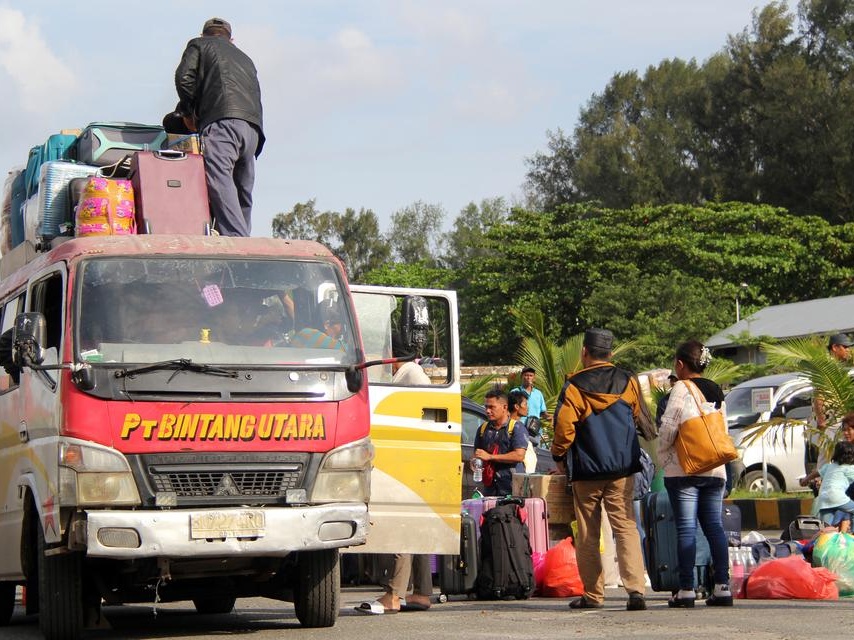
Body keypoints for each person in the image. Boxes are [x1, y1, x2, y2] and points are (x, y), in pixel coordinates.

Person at [551, 328, 654, 611]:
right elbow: (636, 416)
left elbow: (564, 427)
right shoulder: (627, 381)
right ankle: (636, 591)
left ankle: (593, 595)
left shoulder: (574, 386)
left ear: (585, 352)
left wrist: (558, 455)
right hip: (622, 468)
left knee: (588, 532)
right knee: (626, 526)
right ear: (610, 353)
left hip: (587, 469)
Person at [355, 336, 433, 615]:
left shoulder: (409, 374)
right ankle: (421, 592)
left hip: (408, 458)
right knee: (415, 526)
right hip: (418, 458)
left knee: (402, 525)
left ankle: (394, 594)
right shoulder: (413, 373)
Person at [657, 340, 732, 608]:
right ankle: (722, 587)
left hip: (684, 469)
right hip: (714, 467)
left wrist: (662, 454)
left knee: (686, 528)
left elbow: (669, 426)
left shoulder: (681, 387)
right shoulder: (716, 389)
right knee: (714, 527)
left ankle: (686, 589)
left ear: (680, 364)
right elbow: (721, 428)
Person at [175, 17, 265, 237]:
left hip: (223, 122)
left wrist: (190, 112)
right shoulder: (246, 58)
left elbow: (184, 79)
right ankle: (245, 240)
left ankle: (237, 240)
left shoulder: (199, 44)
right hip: (253, 129)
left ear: (204, 35)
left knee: (219, 178)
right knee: (242, 188)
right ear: (231, 40)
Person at [806, 333, 852, 484]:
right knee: (828, 455)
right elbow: (819, 395)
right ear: (835, 347)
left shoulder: (837, 367)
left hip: (837, 419)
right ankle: (820, 486)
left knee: (838, 454)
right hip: (829, 420)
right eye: (845, 347)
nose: (848, 350)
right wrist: (821, 419)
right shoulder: (827, 367)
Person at [471, 388, 527, 497]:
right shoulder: (482, 429)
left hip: (511, 489)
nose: (488, 411)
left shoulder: (516, 427)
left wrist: (490, 457)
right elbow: (477, 454)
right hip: (490, 490)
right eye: (486, 407)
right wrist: (475, 462)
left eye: (492, 407)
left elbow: (519, 456)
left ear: (504, 407)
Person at [814, 441, 854, 531]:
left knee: (826, 527)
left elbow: (816, 473)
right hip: (837, 497)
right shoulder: (849, 468)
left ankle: (822, 538)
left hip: (823, 499)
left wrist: (805, 480)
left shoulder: (829, 466)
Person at [512, 367, 550, 446]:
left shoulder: (538, 394)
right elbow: (510, 410)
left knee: (533, 452)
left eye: (531, 375)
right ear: (521, 377)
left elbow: (542, 412)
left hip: (534, 430)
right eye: (526, 375)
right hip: (519, 428)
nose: (528, 377)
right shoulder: (515, 392)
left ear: (534, 378)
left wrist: (549, 417)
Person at [508, 389, 539, 473]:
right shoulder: (515, 427)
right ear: (517, 407)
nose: (527, 407)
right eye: (525, 404)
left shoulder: (517, 425)